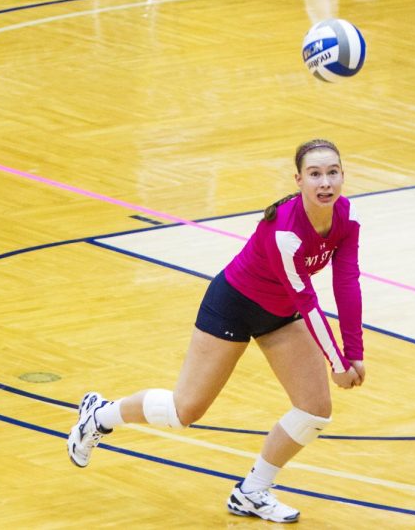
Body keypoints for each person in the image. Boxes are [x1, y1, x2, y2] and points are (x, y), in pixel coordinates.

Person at [67, 139, 365, 523]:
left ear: (343, 175)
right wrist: (336, 360)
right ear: (299, 180)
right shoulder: (285, 231)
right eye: (315, 174)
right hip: (234, 306)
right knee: (184, 410)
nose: (325, 183)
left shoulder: (344, 215)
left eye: (332, 172)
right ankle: (100, 416)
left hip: (279, 312)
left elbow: (347, 281)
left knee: (315, 409)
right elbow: (307, 300)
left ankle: (252, 492)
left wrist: (354, 352)